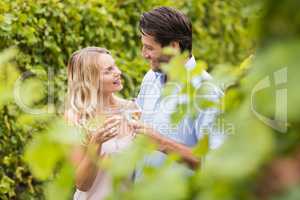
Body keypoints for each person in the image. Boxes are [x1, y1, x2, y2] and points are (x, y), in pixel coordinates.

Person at [132, 7, 225, 175]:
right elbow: (138, 120)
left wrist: (161, 143)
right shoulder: (150, 78)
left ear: (174, 46)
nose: (143, 54)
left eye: (149, 48)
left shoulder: (205, 91)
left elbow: (216, 164)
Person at [64, 47, 138, 200]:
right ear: (90, 80)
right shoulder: (76, 118)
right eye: (108, 70)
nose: (118, 72)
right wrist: (96, 143)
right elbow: (82, 184)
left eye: (115, 66)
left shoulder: (132, 109)